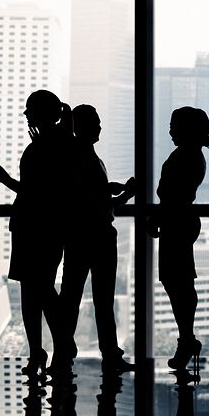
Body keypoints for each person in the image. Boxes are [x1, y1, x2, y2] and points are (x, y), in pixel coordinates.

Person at [0, 90, 75, 375]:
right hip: (49, 227)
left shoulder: (45, 146)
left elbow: (35, 192)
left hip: (31, 225)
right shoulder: (61, 143)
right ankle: (55, 345)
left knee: (34, 290)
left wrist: (4, 178)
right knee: (41, 287)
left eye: (30, 109)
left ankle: (44, 348)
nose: (26, 114)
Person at [59, 105, 136, 372]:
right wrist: (123, 193)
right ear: (82, 126)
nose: (100, 126)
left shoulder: (78, 157)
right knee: (101, 300)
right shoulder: (88, 159)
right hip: (98, 236)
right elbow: (101, 204)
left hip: (82, 236)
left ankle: (63, 354)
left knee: (73, 297)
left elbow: (96, 201)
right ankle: (110, 355)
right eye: (96, 122)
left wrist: (120, 194)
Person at [154, 107, 209, 372]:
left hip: (175, 221)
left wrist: (158, 216)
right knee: (179, 280)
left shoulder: (185, 156)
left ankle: (186, 340)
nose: (170, 130)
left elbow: (171, 195)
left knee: (177, 281)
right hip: (179, 220)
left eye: (174, 125)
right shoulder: (192, 156)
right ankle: (186, 339)